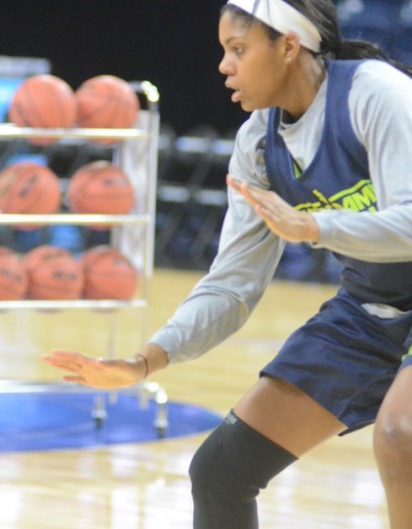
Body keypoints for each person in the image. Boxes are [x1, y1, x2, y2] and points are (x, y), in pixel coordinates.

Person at [44, 0, 412, 527]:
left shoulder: (375, 92)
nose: (223, 65)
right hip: (373, 307)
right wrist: (146, 360)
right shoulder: (257, 146)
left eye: (237, 49)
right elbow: (233, 286)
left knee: (403, 437)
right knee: (219, 474)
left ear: (289, 45)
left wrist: (315, 227)